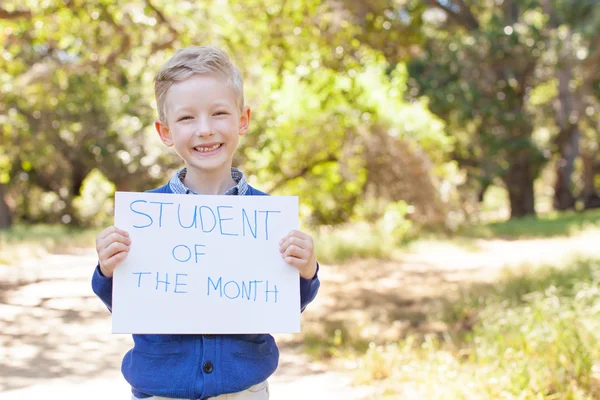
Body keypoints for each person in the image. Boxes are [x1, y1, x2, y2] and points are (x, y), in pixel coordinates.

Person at [91, 45, 321, 400]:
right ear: (165, 132)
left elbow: (288, 302)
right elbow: (123, 302)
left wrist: (306, 271)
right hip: (161, 391)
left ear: (242, 120)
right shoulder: (146, 216)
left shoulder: (269, 216)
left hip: (244, 390)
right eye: (186, 118)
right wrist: (107, 269)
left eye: (218, 113)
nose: (205, 129)